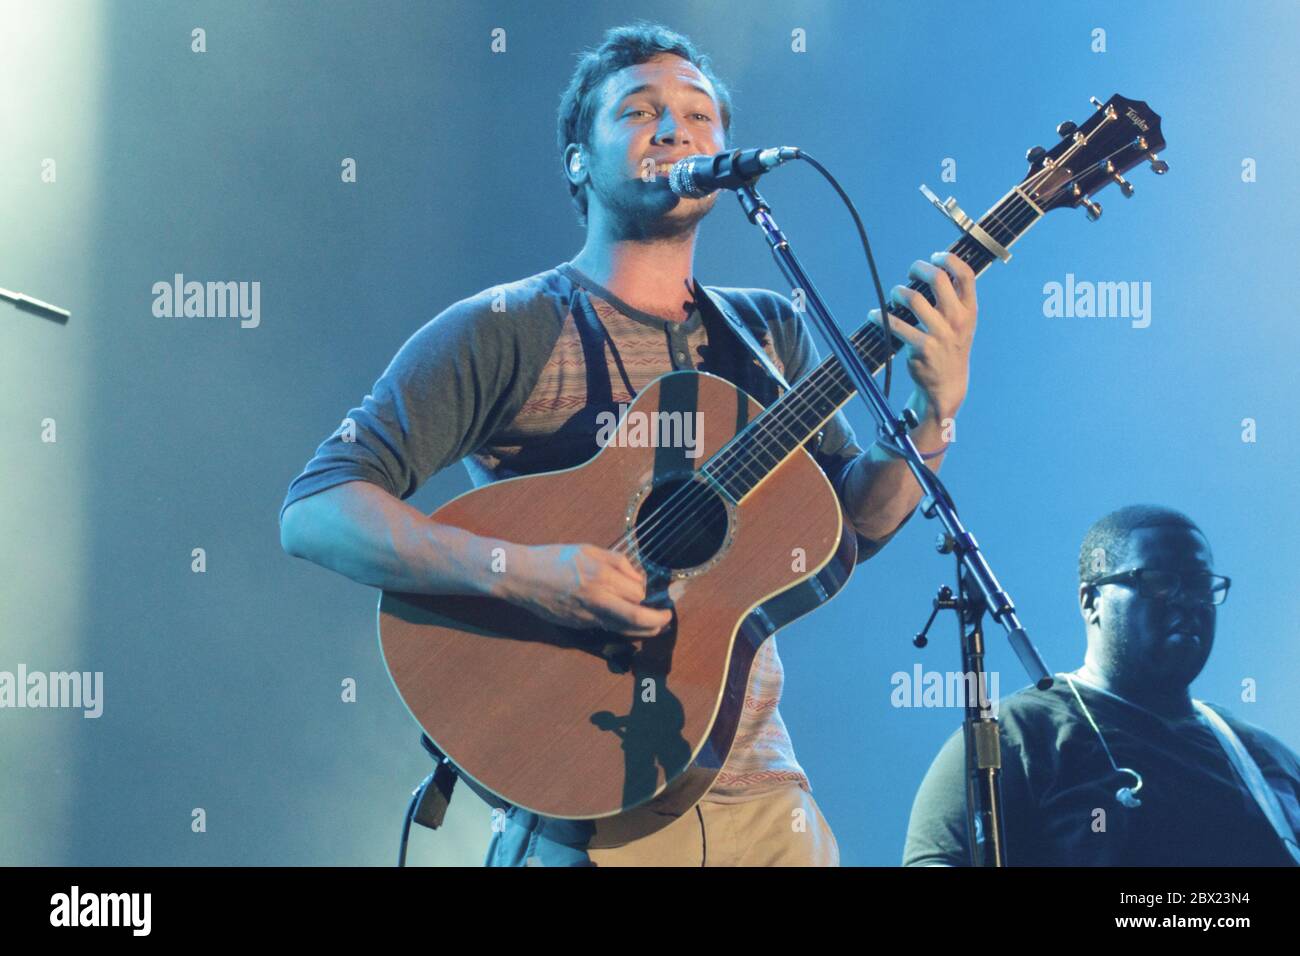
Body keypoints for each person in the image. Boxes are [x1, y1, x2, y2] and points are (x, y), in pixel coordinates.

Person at [280, 22, 978, 866]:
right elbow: (316, 511)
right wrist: (527, 572)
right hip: (591, 808)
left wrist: (930, 413)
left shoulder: (768, 330)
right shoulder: (512, 327)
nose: (676, 129)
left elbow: (852, 529)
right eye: (640, 111)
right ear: (579, 158)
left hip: (767, 799)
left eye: (699, 115)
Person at [903, 505, 1300, 866]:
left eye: (1199, 585)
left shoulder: (1266, 758)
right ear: (1091, 601)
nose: (1186, 601)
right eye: (1160, 582)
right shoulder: (1015, 734)